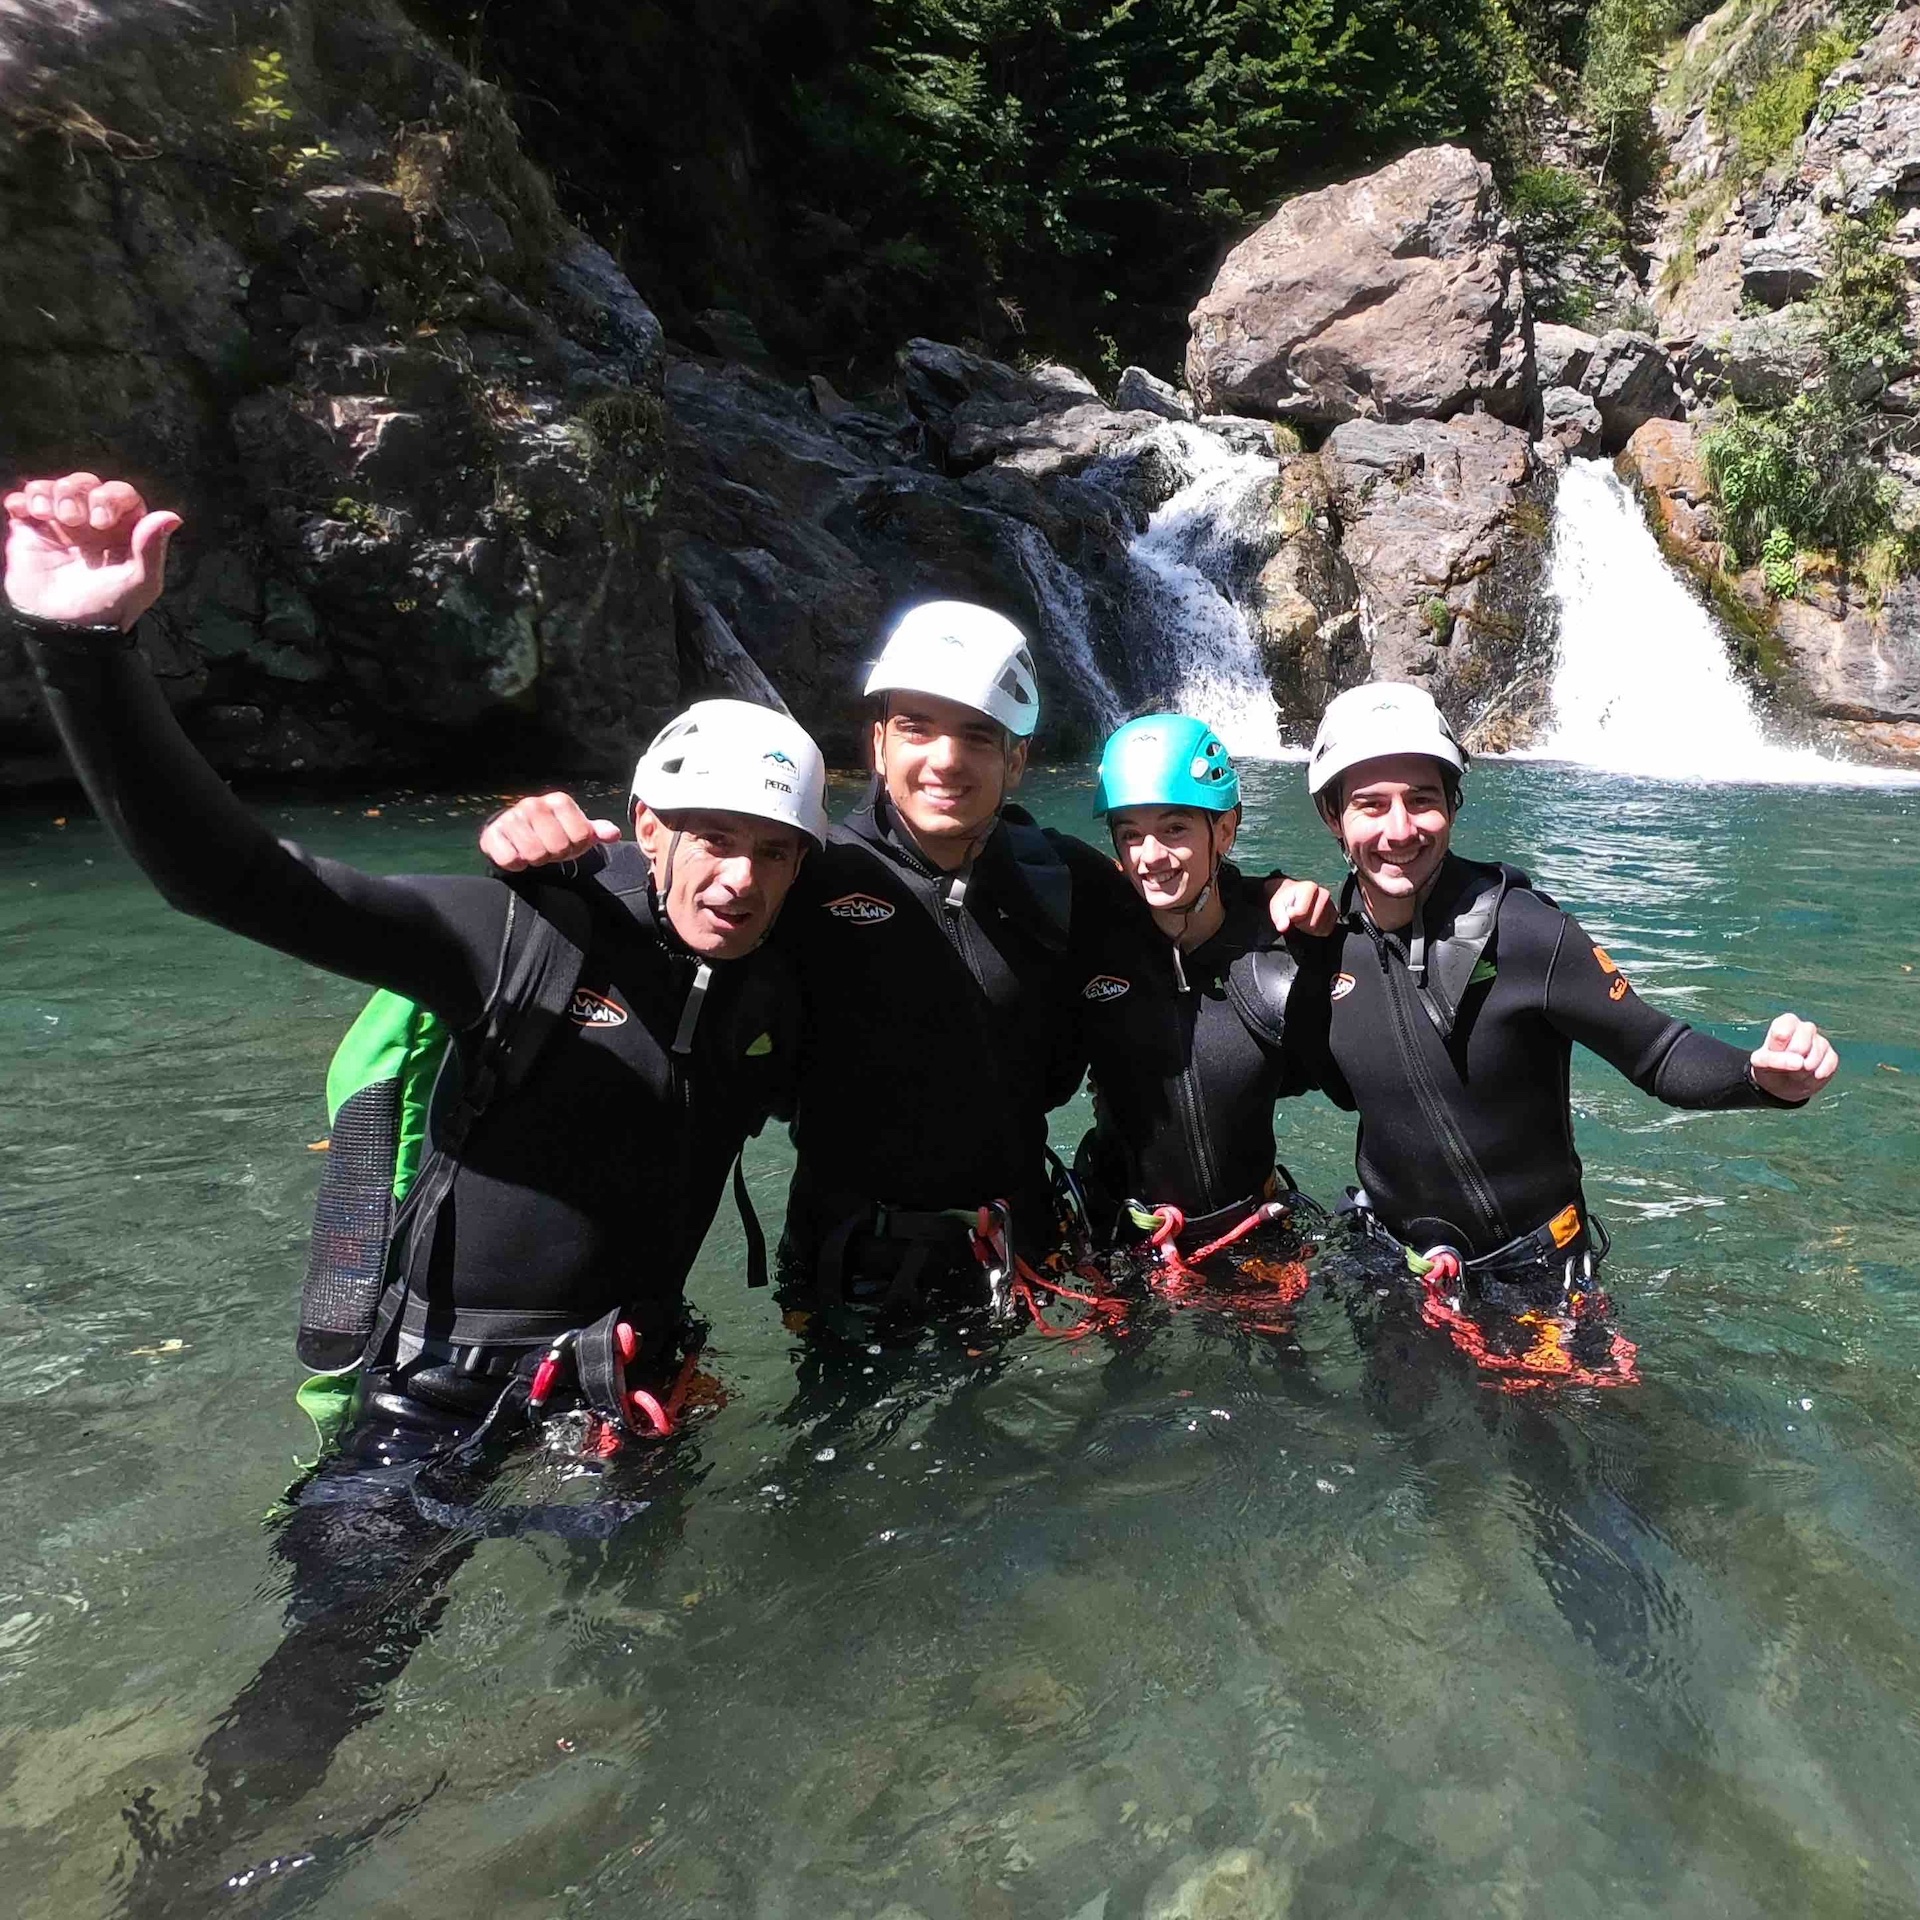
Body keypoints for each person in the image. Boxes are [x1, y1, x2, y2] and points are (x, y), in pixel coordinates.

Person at [483, 603, 1335, 1333]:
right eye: (918, 727)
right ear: (878, 742)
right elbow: (670, 900)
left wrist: (1272, 894)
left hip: (1021, 1250)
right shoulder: (802, 869)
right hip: (850, 1260)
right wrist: (553, 854)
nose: (947, 759)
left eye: (978, 735)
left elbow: (1181, 911)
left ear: (1017, 759)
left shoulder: (1061, 877)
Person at [1301, 679, 1838, 1327]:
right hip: (1396, 1272)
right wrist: (1265, 894)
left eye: (1423, 800)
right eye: (1370, 805)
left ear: (1453, 804)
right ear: (1332, 816)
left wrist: (1759, 1078)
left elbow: (1657, 1052)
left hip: (1538, 1282)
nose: (1400, 829)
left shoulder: (1526, 931)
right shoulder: (1320, 946)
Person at [1067, 713, 1333, 1271]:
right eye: (1130, 834)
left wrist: (1280, 892)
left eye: (1174, 829)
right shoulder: (1089, 942)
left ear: (1226, 831)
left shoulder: (1276, 947)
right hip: (1123, 1244)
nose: (1150, 856)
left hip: (1251, 1241)